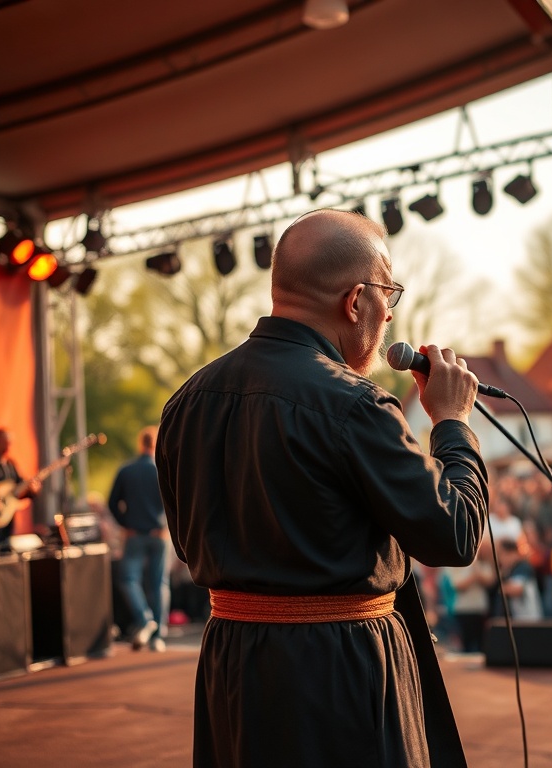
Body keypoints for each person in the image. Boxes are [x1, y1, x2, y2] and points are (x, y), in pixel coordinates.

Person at [156, 210, 489, 768]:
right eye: (389, 295)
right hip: (342, 669)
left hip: (230, 665)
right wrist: (453, 424)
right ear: (356, 300)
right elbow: (454, 535)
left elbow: (192, 549)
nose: (389, 314)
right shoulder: (354, 404)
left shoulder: (187, 402)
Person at [108, 426, 167, 652]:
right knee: (159, 584)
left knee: (129, 579)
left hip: (134, 535)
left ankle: (145, 620)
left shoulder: (127, 470)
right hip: (158, 535)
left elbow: (113, 503)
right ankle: (157, 636)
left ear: (140, 443)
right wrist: (164, 525)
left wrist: (126, 524)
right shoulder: (163, 470)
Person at [0, 427, 41, 549]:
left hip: (7, 519)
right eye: (4, 441)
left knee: (5, 547)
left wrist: (32, 491)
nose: (7, 445)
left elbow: (19, 491)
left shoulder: (11, 466)